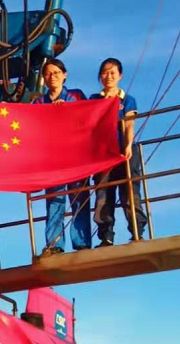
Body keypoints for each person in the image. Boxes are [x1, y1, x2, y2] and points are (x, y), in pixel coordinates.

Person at [32, 59, 91, 255]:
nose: (53, 77)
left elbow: (88, 116)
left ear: (64, 74)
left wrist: (68, 110)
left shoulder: (76, 95)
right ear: (43, 77)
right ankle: (54, 244)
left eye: (56, 72)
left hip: (76, 156)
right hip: (53, 159)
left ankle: (81, 242)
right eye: (48, 73)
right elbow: (28, 122)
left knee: (79, 199)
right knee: (55, 201)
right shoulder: (38, 103)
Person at [90, 58, 147, 247]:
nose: (109, 76)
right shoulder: (94, 100)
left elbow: (129, 124)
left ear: (120, 76)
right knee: (103, 194)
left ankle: (137, 231)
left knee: (129, 192)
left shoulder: (127, 99)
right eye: (105, 72)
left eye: (112, 72)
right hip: (102, 153)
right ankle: (106, 236)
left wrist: (128, 145)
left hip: (124, 150)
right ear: (100, 76)